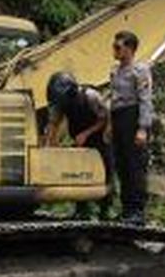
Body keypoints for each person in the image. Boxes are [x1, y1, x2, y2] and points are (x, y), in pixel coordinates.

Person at [45, 71, 114, 220]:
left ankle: (105, 210)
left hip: (98, 137)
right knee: (79, 173)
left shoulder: (91, 96)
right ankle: (82, 210)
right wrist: (50, 144)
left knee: (105, 172)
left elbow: (104, 118)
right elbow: (53, 123)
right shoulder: (61, 103)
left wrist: (86, 134)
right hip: (78, 139)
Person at [109, 30, 153, 225]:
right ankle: (126, 209)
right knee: (121, 164)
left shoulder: (140, 70)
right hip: (118, 117)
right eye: (114, 47)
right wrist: (110, 125)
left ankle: (137, 210)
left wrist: (143, 128)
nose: (115, 50)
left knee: (135, 165)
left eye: (118, 47)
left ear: (130, 49)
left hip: (133, 116)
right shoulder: (114, 71)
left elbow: (145, 100)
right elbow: (113, 99)